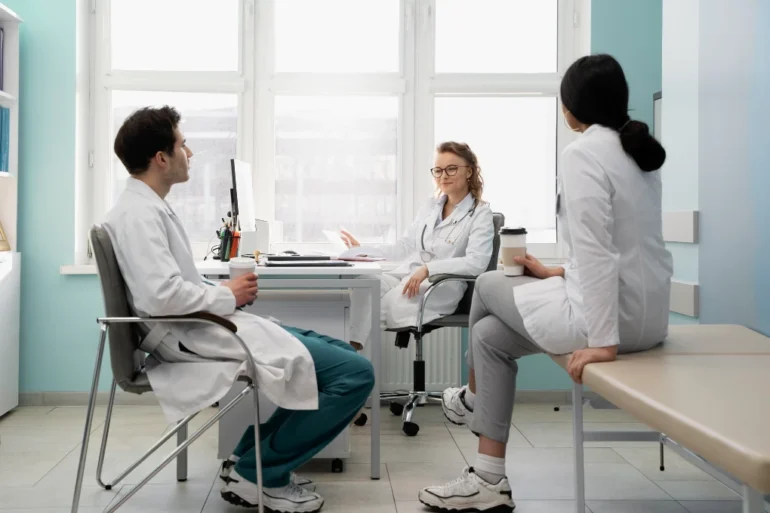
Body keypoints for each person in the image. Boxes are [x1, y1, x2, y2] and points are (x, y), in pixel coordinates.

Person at [418, 54, 674, 512]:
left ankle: (473, 400)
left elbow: (597, 251)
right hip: (648, 316)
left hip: (610, 323)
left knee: (490, 282)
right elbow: (627, 247)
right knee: (488, 336)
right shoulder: (634, 152)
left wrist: (603, 343)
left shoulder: (583, 154)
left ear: (572, 105)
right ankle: (489, 478)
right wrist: (557, 272)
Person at [104, 105, 374, 513]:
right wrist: (228, 294)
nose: (189, 153)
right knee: (355, 373)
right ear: (161, 158)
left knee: (334, 356)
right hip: (191, 337)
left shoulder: (144, 207)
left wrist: (224, 292)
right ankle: (257, 474)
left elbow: (173, 287)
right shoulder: (140, 214)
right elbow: (163, 298)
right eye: (182, 145)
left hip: (203, 327)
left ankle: (248, 464)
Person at [342, 141, 495, 351]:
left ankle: (352, 358)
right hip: (408, 273)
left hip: (439, 284)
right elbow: (405, 246)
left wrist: (429, 269)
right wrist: (364, 250)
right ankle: (353, 351)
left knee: (379, 307)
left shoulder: (480, 213)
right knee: (365, 284)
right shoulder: (431, 206)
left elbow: (476, 263)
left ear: (469, 171)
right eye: (438, 170)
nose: (443, 176)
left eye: (451, 169)